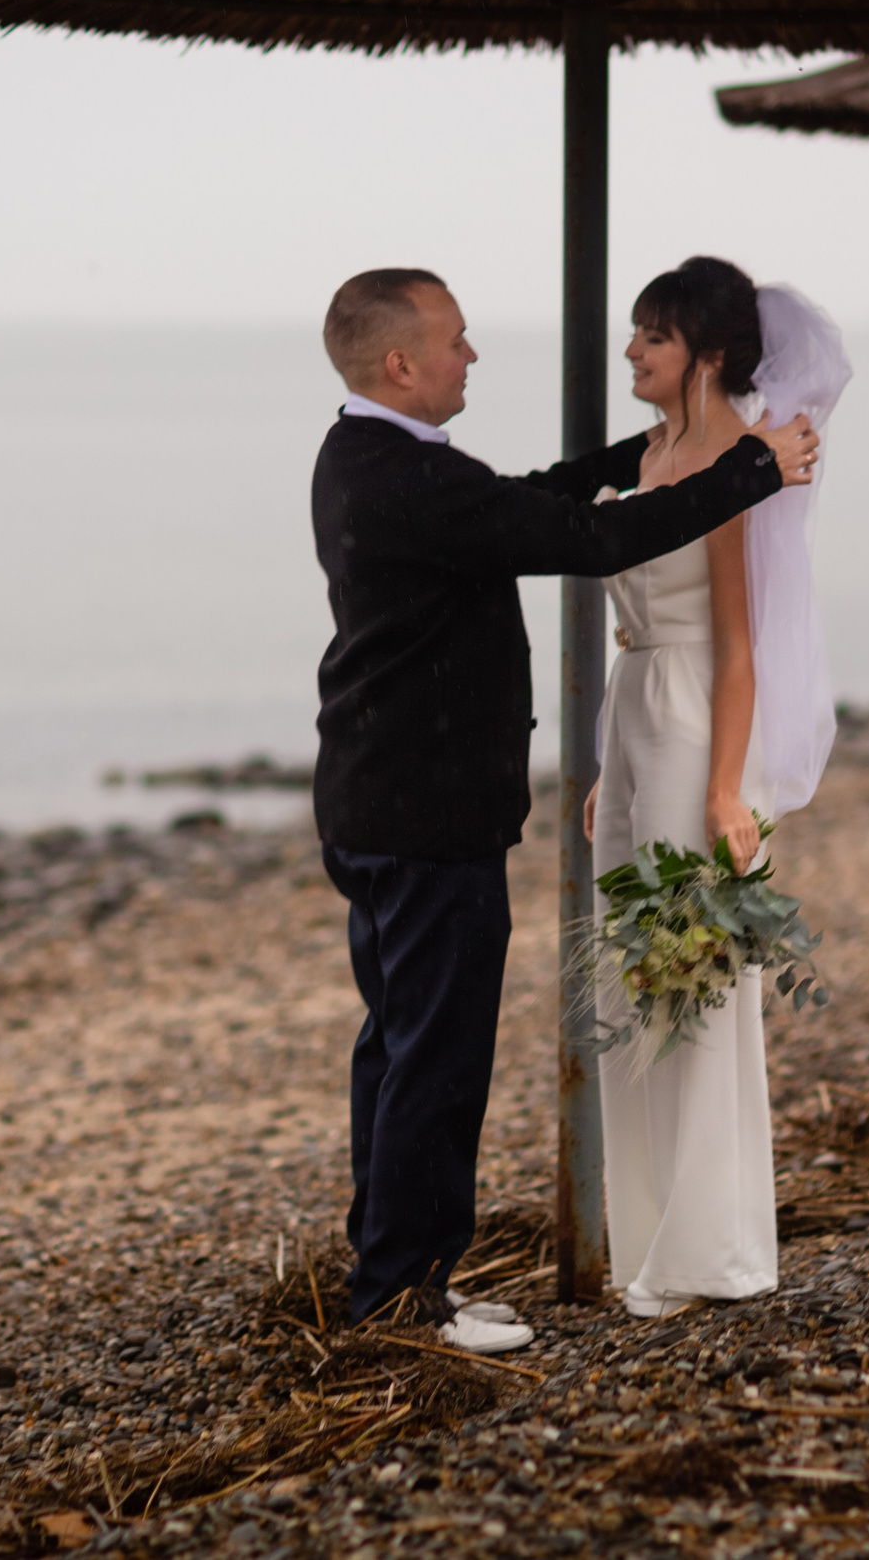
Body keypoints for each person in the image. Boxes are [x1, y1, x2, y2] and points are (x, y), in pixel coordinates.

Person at [310, 267, 820, 1355]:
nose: (470, 354)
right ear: (399, 363)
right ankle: (400, 1294)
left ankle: (398, 1275)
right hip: (423, 809)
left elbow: (544, 494)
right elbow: (584, 541)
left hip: (385, 799)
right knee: (432, 1055)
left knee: (399, 1046)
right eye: (453, 340)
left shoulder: (366, 453)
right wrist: (746, 468)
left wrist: (676, 460)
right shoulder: (404, 476)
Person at [584, 256, 852, 1318]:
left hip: (701, 717)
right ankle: (645, 1238)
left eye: (651, 334)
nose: (632, 352)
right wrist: (610, 760)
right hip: (637, 708)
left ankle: (710, 1248)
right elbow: (630, 631)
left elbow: (739, 649)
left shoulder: (741, 459)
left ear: (707, 352)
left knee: (688, 978)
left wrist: (729, 791)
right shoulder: (647, 453)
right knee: (624, 975)